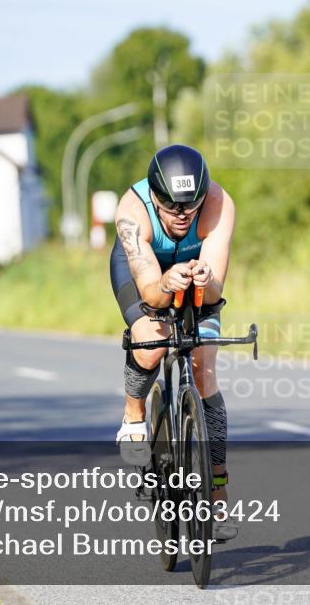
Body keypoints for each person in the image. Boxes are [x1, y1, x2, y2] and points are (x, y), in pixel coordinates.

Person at [110, 143, 237, 540]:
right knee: (152, 340)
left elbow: (214, 291)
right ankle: (134, 415)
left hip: (196, 278)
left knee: (204, 372)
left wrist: (204, 278)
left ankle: (217, 495)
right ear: (154, 197)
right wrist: (166, 281)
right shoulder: (132, 214)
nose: (183, 217)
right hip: (145, 274)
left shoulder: (218, 202)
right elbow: (150, 292)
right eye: (172, 208)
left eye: (191, 206)